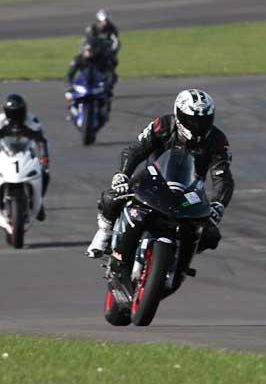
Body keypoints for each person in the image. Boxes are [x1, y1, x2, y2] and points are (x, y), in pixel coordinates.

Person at [85, 89, 234, 259]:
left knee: (210, 235)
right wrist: (122, 174)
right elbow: (135, 150)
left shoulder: (217, 139)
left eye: (203, 121)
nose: (197, 126)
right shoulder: (163, 125)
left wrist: (218, 204)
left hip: (190, 193)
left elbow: (223, 176)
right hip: (153, 181)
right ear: (178, 115)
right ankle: (104, 234)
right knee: (113, 197)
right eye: (191, 120)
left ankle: (180, 264)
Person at [0, 94, 50, 221]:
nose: (17, 116)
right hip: (5, 152)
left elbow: (41, 141)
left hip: (27, 152)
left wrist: (44, 158)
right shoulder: (1, 121)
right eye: (13, 113)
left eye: (19, 112)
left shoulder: (32, 120)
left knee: (45, 173)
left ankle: (38, 201)